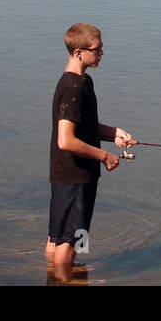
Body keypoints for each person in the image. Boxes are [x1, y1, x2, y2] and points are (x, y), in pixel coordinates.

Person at [45, 23, 135, 272]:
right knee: (69, 243)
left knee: (56, 238)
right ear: (78, 53)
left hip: (65, 175)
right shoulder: (73, 87)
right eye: (97, 49)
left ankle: (54, 277)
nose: (102, 53)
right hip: (76, 176)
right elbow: (66, 140)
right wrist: (104, 156)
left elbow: (83, 126)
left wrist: (113, 133)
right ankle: (66, 279)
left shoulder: (81, 82)